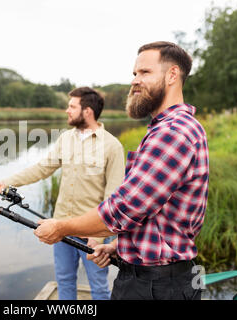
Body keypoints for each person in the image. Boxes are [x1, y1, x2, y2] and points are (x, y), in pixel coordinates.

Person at [34, 41, 209, 300]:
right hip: (156, 280)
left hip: (155, 287)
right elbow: (156, 215)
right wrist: (118, 246)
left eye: (145, 73)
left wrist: (61, 227)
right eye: (134, 74)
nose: (135, 80)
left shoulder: (173, 132)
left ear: (172, 75)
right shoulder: (165, 129)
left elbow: (124, 209)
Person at [0, 87, 125, 300]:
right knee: (64, 281)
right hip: (60, 227)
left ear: (87, 111)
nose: (67, 111)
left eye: (72, 106)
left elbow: (113, 197)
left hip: (92, 233)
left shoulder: (112, 146)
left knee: (98, 286)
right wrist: (5, 184)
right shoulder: (65, 139)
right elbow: (41, 169)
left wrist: (101, 236)